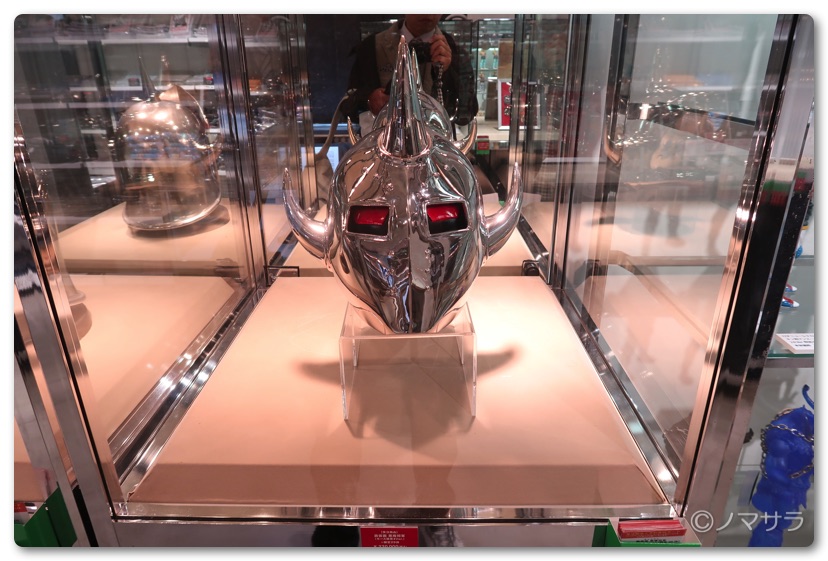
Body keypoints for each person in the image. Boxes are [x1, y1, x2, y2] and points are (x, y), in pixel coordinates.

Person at [346, 15, 478, 129]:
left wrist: (447, 73)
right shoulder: (372, 47)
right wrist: (369, 100)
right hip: (385, 145)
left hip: (435, 145)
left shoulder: (455, 52)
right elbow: (348, 106)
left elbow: (466, 115)